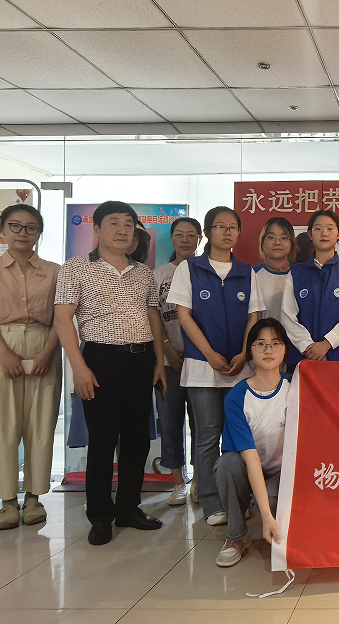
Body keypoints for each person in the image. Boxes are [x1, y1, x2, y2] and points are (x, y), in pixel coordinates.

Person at [54, 201, 167, 546]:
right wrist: (79, 367)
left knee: (137, 440)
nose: (122, 230)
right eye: (114, 223)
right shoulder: (75, 268)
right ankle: (101, 516)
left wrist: (159, 362)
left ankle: (129, 508)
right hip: (99, 360)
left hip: (140, 360)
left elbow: (153, 317)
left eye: (128, 224)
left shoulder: (143, 272)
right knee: (102, 441)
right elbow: (63, 318)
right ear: (97, 229)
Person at [167, 206, 264, 526]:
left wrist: (244, 353)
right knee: (207, 435)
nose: (227, 231)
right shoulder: (190, 268)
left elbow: (253, 317)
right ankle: (211, 503)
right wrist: (208, 353)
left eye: (233, 227)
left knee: (237, 436)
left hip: (239, 368)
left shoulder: (247, 272)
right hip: (201, 367)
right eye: (220, 226)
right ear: (208, 232)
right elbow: (184, 315)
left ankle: (237, 499)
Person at [0, 204, 61, 530]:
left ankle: (34, 498)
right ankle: (7, 502)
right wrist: (4, 354)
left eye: (31, 227)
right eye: (15, 226)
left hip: (43, 343)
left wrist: (47, 352)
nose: (23, 233)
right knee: (2, 424)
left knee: (41, 424)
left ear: (39, 233)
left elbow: (62, 316)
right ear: (3, 230)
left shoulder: (55, 271)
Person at [214, 318, 291, 568]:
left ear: (284, 350)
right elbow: (251, 457)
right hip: (250, 467)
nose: (268, 350)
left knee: (273, 504)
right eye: (260, 344)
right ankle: (236, 537)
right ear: (250, 350)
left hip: (284, 472)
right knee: (227, 465)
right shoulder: (237, 397)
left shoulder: (296, 386)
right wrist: (266, 516)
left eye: (275, 343)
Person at [153, 216, 202, 507]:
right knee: (170, 421)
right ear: (171, 238)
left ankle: (199, 480)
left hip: (200, 361)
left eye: (191, 235)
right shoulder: (158, 274)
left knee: (202, 423)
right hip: (167, 362)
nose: (185, 240)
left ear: (199, 239)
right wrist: (167, 349)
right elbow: (153, 316)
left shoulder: (205, 271)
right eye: (179, 234)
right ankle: (177, 483)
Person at [281, 209, 339, 363]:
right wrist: (309, 347)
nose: (324, 233)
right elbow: (287, 316)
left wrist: (326, 344)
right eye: (318, 228)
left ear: (338, 234)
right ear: (310, 234)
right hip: (303, 357)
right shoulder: (296, 273)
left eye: (330, 228)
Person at [253, 217, 295, 323]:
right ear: (262, 242)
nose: (277, 242)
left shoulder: (299, 274)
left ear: (292, 243)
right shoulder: (252, 274)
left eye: (284, 238)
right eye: (271, 237)